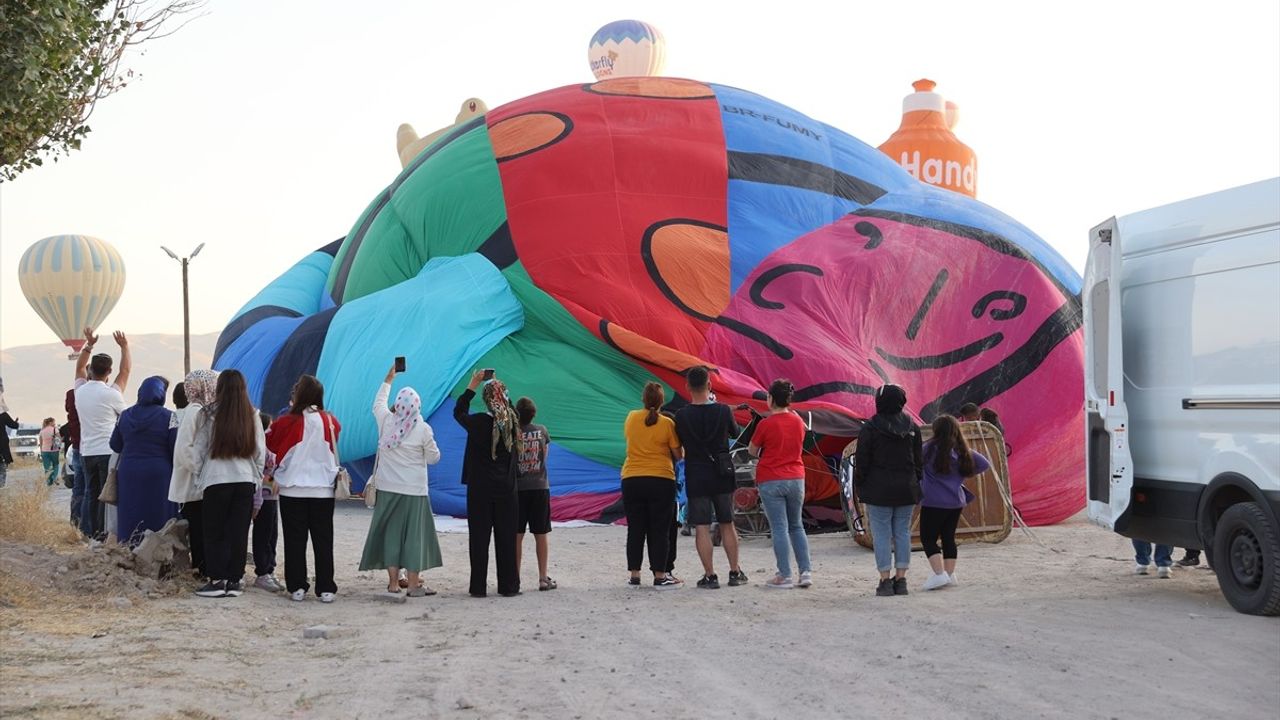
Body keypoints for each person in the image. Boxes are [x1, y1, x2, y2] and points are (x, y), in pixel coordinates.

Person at [360, 364, 444, 596]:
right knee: (414, 536)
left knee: (392, 535)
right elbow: (434, 458)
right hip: (415, 491)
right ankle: (415, 584)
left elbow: (377, 404)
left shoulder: (386, 422)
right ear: (417, 406)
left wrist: (388, 378)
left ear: (397, 405)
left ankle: (394, 583)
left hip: (388, 488)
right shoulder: (423, 429)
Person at [180, 369, 265, 598]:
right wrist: (255, 477)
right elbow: (259, 451)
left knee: (214, 531)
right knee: (238, 531)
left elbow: (198, 449)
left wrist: (200, 475)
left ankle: (217, 581)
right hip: (245, 479)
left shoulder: (207, 414)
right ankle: (235, 581)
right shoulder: (252, 414)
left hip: (216, 480)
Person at [266, 375, 342, 603]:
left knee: (294, 540)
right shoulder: (330, 421)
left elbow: (271, 446)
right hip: (322, 489)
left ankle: (297, 587)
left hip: (292, 489)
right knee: (323, 540)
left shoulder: (286, 422)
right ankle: (326, 588)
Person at [674, 366, 745, 589]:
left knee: (702, 526)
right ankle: (734, 572)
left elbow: (680, 441)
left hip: (696, 473)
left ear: (687, 387)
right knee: (727, 522)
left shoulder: (682, 416)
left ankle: (710, 575)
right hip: (722, 472)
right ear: (710, 385)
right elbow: (735, 433)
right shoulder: (723, 411)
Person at [454, 370, 522, 598]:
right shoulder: (512, 422)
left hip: (480, 489)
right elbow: (508, 407)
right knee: (506, 539)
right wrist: (499, 388)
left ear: (485, 400)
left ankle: (478, 587)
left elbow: (459, 411)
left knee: (479, 539)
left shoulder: (478, 422)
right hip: (507, 489)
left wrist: (473, 383)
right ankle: (509, 586)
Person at [855, 384, 923, 597]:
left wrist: (860, 484)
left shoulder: (870, 428)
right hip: (906, 488)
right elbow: (919, 461)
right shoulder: (913, 427)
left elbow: (862, 461)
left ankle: (885, 581)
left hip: (878, 488)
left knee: (882, 534)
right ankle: (901, 580)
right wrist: (915, 481)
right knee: (902, 532)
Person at [748, 379, 812, 589]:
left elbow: (752, 450)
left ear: (771, 399)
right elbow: (802, 434)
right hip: (796, 477)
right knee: (796, 525)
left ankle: (784, 575)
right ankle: (805, 572)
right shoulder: (797, 422)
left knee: (779, 528)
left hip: (771, 478)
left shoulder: (765, 424)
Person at [621, 382, 682, 590]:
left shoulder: (630, 417)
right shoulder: (667, 424)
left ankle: (634, 575)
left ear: (643, 399)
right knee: (660, 529)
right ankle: (660, 575)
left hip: (632, 477)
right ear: (662, 401)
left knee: (635, 528)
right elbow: (678, 455)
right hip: (661, 478)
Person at [919, 414, 991, 591]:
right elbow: (984, 464)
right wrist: (963, 475)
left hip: (933, 501)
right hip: (955, 501)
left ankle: (938, 574)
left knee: (928, 538)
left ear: (936, 430)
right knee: (948, 537)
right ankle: (949, 574)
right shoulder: (962, 450)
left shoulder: (927, 448)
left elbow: (915, 465)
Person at [73, 327, 132, 541]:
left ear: (90, 371)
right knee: (108, 496)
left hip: (87, 451)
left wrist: (89, 344)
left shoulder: (80, 391)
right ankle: (105, 534)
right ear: (109, 372)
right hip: (107, 450)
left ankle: (91, 534)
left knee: (91, 493)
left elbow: (78, 366)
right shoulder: (112, 395)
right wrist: (125, 347)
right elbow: (125, 373)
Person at [109, 377, 178, 546]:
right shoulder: (170, 417)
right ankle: (157, 550)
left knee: (130, 511)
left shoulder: (124, 415)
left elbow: (115, 445)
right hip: (159, 472)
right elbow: (175, 447)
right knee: (159, 513)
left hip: (129, 471)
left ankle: (130, 546)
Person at [171, 370, 217, 579]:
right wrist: (201, 470)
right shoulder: (195, 411)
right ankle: (202, 568)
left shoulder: (201, 410)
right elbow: (184, 449)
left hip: (198, 482)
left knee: (201, 528)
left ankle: (203, 567)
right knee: (199, 529)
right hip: (195, 482)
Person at [514, 396, 555, 591]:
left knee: (517, 535)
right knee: (541, 534)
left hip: (519, 489)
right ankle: (542, 578)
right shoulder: (542, 431)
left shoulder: (513, 433)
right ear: (534, 414)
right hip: (540, 487)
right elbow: (544, 457)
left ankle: (515, 577)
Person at [251, 411, 283, 593]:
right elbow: (261, 472)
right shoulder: (261, 447)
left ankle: (270, 568)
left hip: (272, 496)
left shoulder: (268, 446)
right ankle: (262, 570)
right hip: (262, 496)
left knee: (272, 533)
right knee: (263, 533)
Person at [61, 389, 85, 523]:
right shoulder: (106, 393)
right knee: (94, 489)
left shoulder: (71, 394)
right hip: (97, 448)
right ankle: (93, 527)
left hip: (76, 446)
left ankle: (76, 522)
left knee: (78, 486)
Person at [0, 379, 15, 489]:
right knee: (2, 464)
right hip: (1, 443)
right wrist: (16, 422)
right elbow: (13, 425)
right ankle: (1, 484)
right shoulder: (3, 414)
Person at [39, 418, 60, 486]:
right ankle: (54, 478)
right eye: (54, 422)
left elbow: (41, 442)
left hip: (44, 451)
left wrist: (41, 451)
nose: (54, 423)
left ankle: (49, 481)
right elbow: (59, 439)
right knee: (55, 465)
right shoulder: (55, 429)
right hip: (54, 450)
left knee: (47, 467)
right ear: (50, 422)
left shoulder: (42, 431)